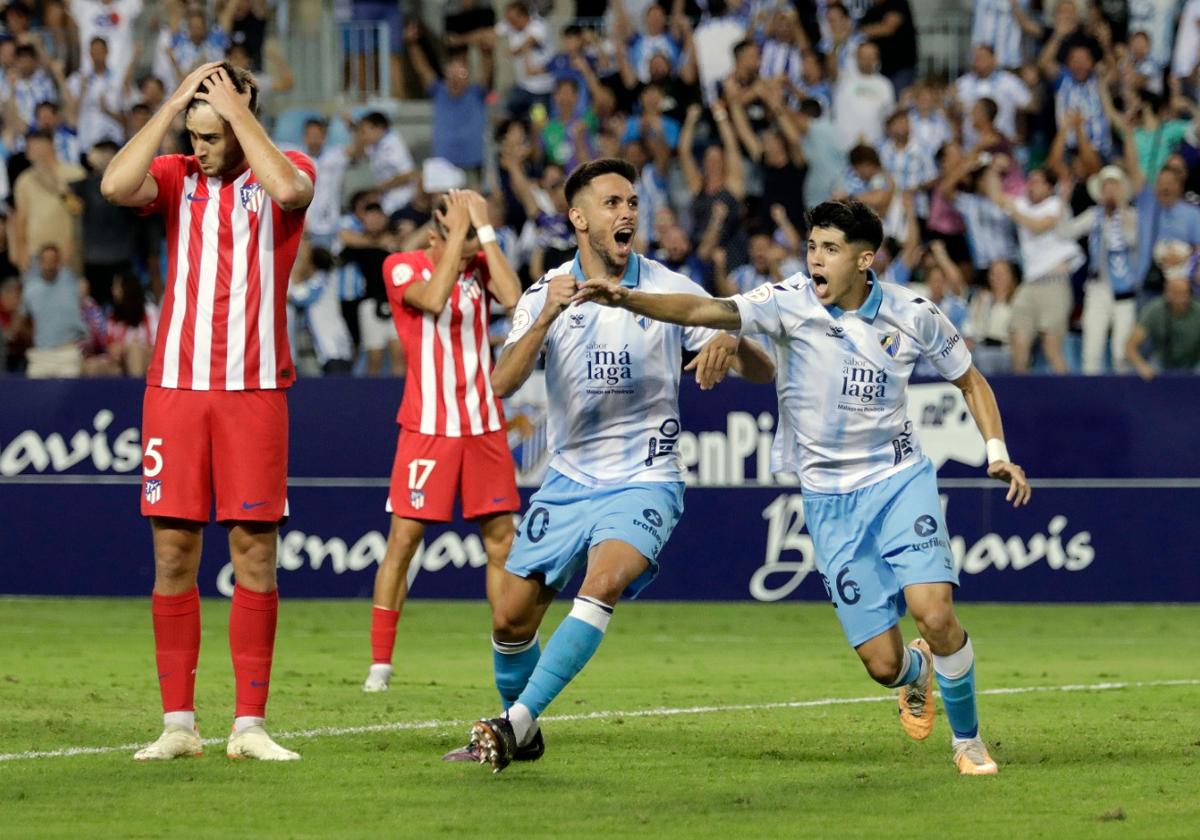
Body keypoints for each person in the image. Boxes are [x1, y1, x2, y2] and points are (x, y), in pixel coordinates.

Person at [577, 199, 1031, 776]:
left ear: (865, 260)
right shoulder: (787, 302)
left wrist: (997, 453)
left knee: (934, 613)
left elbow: (971, 380)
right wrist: (626, 297)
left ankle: (967, 743)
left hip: (898, 479)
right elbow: (703, 306)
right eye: (812, 246)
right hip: (827, 499)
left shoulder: (913, 313)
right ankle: (917, 676)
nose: (815, 259)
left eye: (831, 250)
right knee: (882, 664)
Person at [445, 158, 774, 772]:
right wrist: (545, 317)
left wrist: (733, 336)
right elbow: (502, 383)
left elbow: (764, 370)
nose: (627, 213)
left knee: (603, 582)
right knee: (510, 617)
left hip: (647, 477)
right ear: (578, 219)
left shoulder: (672, 290)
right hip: (568, 479)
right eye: (612, 203)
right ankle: (525, 724)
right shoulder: (547, 292)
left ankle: (510, 728)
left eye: (632, 204)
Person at [101, 60, 316, 761]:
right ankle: (178, 725)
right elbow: (112, 185)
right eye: (194, 135)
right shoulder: (175, 175)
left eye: (212, 136)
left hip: (253, 391)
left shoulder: (282, 168)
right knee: (172, 555)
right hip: (175, 391)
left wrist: (239, 111)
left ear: (242, 120)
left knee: (254, 554)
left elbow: (289, 187)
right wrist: (174, 105)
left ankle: (249, 725)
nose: (201, 149)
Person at [363, 189, 523, 693]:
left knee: (502, 543)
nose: (473, 245)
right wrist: (460, 235)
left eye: (476, 236)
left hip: (482, 425)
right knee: (404, 543)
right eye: (463, 234)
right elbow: (432, 300)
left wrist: (486, 230)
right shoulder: (402, 266)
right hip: (427, 428)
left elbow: (516, 299)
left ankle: (507, 657)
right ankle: (380, 665)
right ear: (435, 234)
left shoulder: (479, 268)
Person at [17, 243, 87, 378]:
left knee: (71, 387)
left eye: (53, 260)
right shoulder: (30, 289)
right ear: (39, 262)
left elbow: (77, 260)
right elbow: (22, 321)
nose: (49, 265)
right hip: (41, 354)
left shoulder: (71, 281)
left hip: (68, 353)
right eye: (45, 260)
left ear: (58, 262)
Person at [1126, 276, 1200, 379]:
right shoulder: (1154, 310)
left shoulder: (1198, 311)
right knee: (1145, 370)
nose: (1181, 298)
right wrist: (1142, 366)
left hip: (1195, 362)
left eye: (1184, 293)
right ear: (1167, 293)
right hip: (1162, 361)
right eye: (1176, 293)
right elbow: (1130, 346)